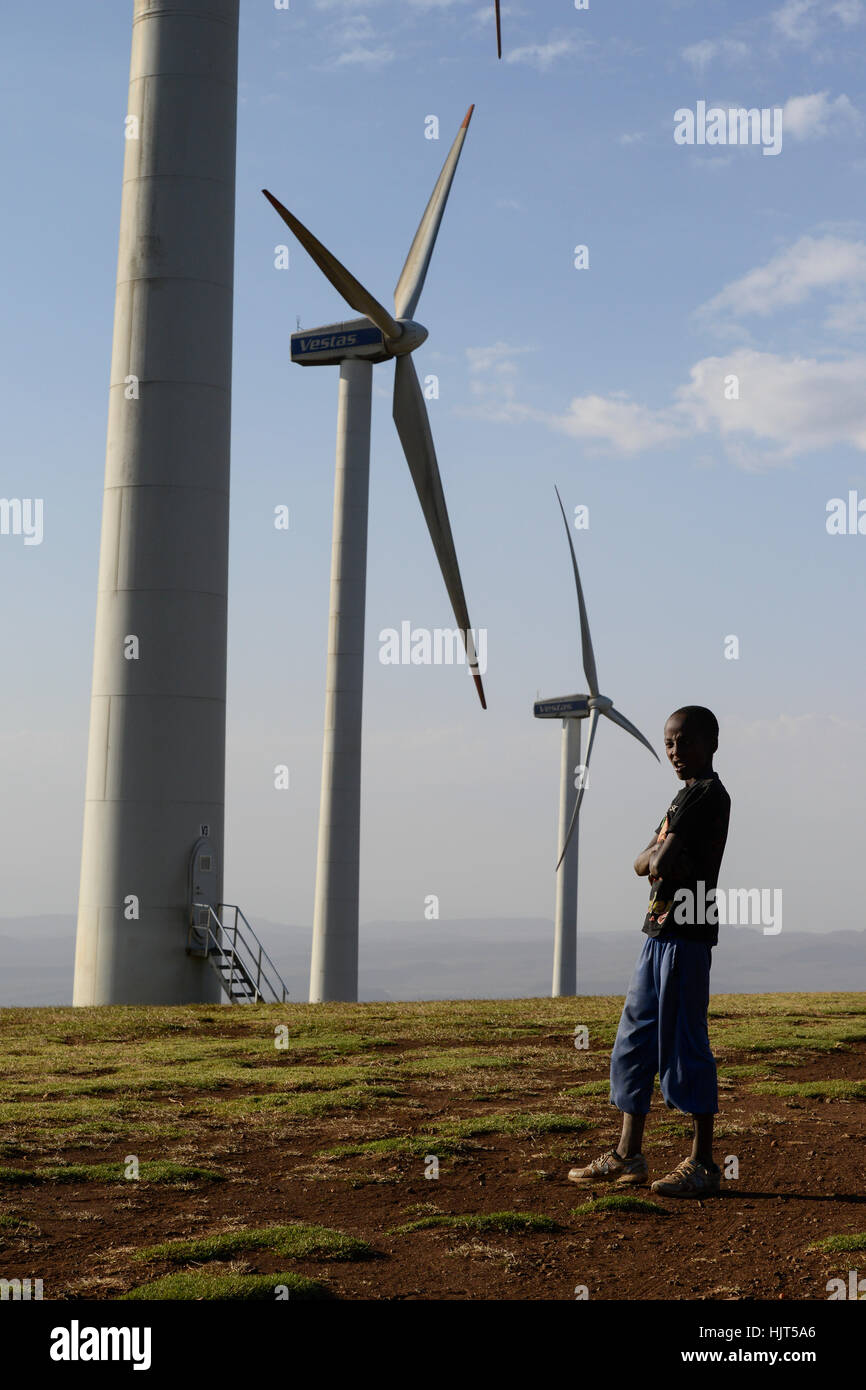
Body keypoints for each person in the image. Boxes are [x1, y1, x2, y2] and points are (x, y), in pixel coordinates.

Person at [568, 705, 731, 1197]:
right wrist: (656, 861)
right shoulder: (681, 800)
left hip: (688, 934)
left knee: (685, 1045)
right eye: (669, 744)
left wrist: (657, 860)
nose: (675, 752)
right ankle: (627, 1155)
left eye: (684, 741)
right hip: (658, 932)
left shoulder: (707, 796)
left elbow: (653, 857)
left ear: (712, 743)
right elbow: (644, 860)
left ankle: (703, 1163)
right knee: (634, 1042)